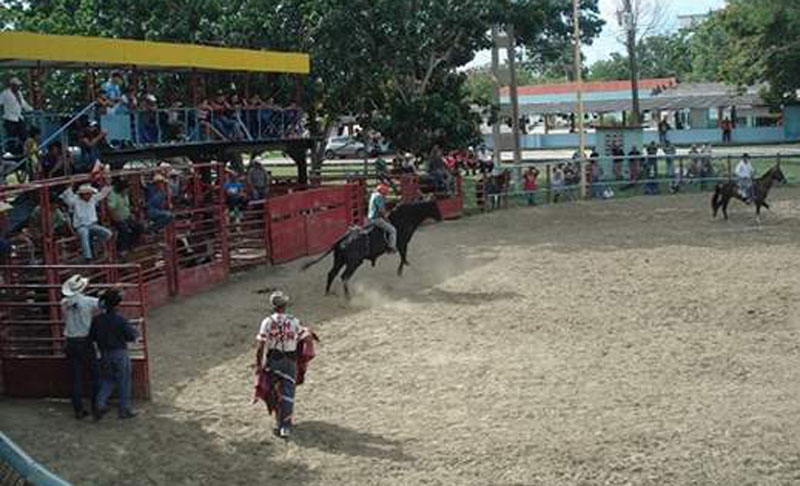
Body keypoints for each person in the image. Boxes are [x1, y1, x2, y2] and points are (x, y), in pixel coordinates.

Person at [254, 291, 305, 439]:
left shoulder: (267, 322)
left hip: (273, 360)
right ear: (285, 305)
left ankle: (278, 420)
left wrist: (258, 364)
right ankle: (285, 426)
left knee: (272, 390)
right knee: (288, 392)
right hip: (290, 360)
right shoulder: (294, 321)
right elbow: (304, 337)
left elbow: (260, 346)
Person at [90, 289, 138, 420]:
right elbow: (131, 336)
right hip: (119, 352)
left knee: (108, 379)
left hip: (104, 353)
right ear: (117, 305)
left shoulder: (97, 320)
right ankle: (125, 409)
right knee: (124, 380)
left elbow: (92, 337)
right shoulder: (120, 320)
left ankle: (99, 404)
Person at [60, 274, 101, 419]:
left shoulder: (64, 303)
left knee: (75, 378)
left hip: (71, 341)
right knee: (96, 376)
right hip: (84, 341)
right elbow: (102, 305)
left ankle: (78, 410)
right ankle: (96, 406)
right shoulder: (89, 302)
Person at [60, 180, 113, 260]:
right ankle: (88, 257)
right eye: (87, 194)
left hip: (92, 225)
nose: (89, 195)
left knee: (107, 234)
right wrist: (69, 187)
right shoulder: (75, 201)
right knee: (84, 234)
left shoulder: (93, 199)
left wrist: (107, 183)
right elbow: (66, 197)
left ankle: (95, 248)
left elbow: (103, 194)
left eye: (90, 193)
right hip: (81, 226)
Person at [108, 179, 142, 255]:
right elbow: (111, 208)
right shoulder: (113, 195)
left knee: (138, 227)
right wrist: (115, 218)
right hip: (117, 218)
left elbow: (127, 205)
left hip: (127, 216)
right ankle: (121, 249)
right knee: (124, 230)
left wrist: (132, 209)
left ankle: (132, 244)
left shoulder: (125, 194)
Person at [1, 77, 33, 155]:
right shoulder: (5, 93)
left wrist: (31, 109)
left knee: (23, 135)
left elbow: (23, 104)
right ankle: (11, 152)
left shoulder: (19, 93)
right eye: (16, 85)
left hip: (18, 118)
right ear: (12, 85)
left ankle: (22, 151)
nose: (18, 87)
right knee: (11, 137)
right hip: (10, 118)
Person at [367, 183, 396, 253]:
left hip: (370, 217)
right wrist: (386, 218)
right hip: (376, 218)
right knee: (392, 230)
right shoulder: (379, 197)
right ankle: (391, 247)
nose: (386, 194)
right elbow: (381, 210)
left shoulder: (373, 195)